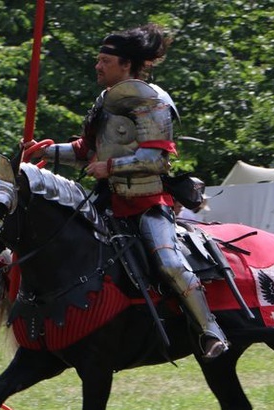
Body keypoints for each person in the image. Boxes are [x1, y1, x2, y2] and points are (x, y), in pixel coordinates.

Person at [28, 23, 228, 360]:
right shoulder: (104, 100)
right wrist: (43, 151)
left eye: (105, 61)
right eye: (98, 60)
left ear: (126, 65)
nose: (97, 66)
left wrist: (110, 168)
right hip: (106, 201)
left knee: (169, 263)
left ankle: (209, 329)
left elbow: (157, 158)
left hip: (147, 203)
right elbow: (85, 151)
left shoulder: (153, 101)